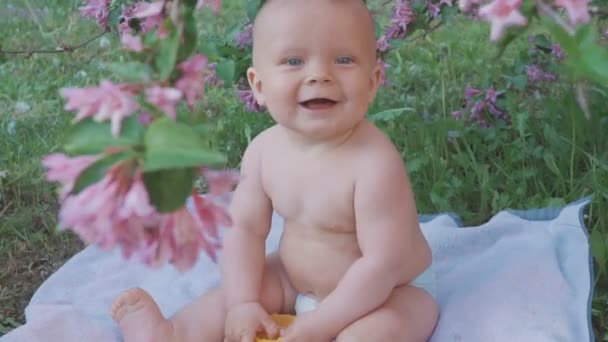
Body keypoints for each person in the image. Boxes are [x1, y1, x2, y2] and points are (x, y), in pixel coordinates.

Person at [110, 0, 439, 341]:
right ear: (259, 86)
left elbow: (381, 265)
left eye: (343, 59)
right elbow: (246, 230)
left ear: (373, 81)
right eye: (294, 61)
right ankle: (173, 333)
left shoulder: (375, 164)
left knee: (371, 334)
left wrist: (322, 323)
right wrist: (243, 302)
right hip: (293, 280)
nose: (319, 74)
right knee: (237, 295)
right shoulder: (264, 152)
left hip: (389, 292)